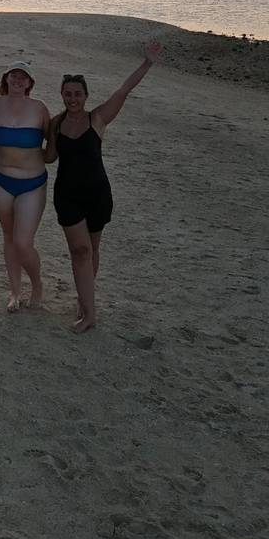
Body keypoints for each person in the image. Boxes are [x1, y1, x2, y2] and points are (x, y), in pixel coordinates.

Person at [44, 39, 162, 333]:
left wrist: (147, 62)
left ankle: (85, 301)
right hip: (67, 196)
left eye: (77, 94)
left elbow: (124, 90)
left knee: (92, 250)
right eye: (67, 94)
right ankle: (90, 315)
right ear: (61, 94)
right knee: (80, 250)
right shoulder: (56, 124)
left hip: (97, 194)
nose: (72, 98)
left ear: (85, 95)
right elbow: (48, 157)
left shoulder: (97, 118)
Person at [0, 61, 51, 313]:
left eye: (23, 77)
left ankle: (36, 286)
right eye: (13, 75)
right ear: (6, 79)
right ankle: (14, 292)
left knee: (23, 242)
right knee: (8, 237)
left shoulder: (39, 109)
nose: (17, 80)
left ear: (29, 83)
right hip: (0, 178)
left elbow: (55, 139)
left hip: (32, 183)